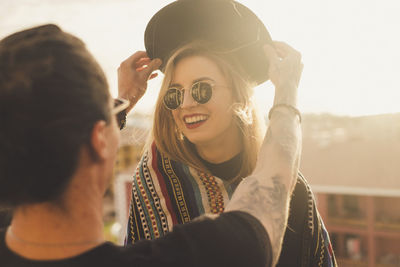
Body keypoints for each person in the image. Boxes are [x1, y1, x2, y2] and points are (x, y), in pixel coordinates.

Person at [0, 24, 300, 267]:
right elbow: (274, 182)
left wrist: (119, 104)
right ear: (98, 139)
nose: (186, 103)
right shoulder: (203, 254)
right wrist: (286, 94)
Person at [120, 1, 337, 266]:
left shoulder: (296, 192)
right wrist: (122, 101)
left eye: (202, 89)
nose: (186, 104)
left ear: (239, 96)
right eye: (175, 94)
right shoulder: (155, 180)